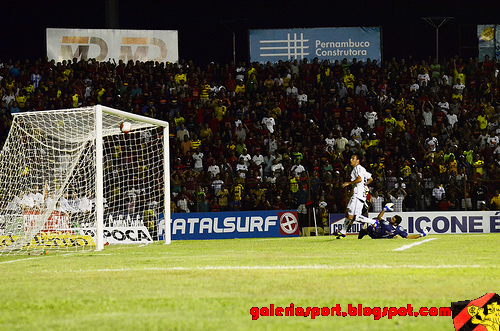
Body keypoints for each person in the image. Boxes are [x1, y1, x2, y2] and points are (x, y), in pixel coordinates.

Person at [335, 152, 374, 237]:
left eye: (353, 158)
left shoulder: (357, 168)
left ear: (358, 161)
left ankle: (373, 222)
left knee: (352, 217)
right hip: (359, 194)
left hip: (358, 195)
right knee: (348, 212)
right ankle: (343, 231)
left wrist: (349, 183)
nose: (351, 160)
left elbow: (359, 179)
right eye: (351, 158)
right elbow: (370, 179)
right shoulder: (362, 169)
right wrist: (364, 186)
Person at [358, 209, 430, 240]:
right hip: (374, 233)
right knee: (368, 229)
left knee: (374, 223)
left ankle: (365, 226)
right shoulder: (399, 229)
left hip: (376, 235)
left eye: (392, 219)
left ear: (395, 223)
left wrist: (385, 209)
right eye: (392, 218)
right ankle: (364, 229)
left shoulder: (387, 224)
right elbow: (408, 237)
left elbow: (379, 217)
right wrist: (421, 235)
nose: (390, 219)